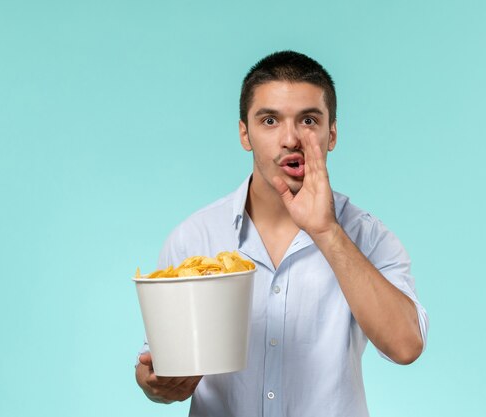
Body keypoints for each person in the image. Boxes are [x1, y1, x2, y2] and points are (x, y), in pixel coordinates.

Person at [135, 50, 429, 416]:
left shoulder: (367, 235)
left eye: (308, 120)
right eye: (270, 120)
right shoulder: (194, 237)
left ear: (331, 133)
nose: (290, 139)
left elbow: (406, 345)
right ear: (245, 133)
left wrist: (326, 231)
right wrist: (156, 384)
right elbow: (163, 369)